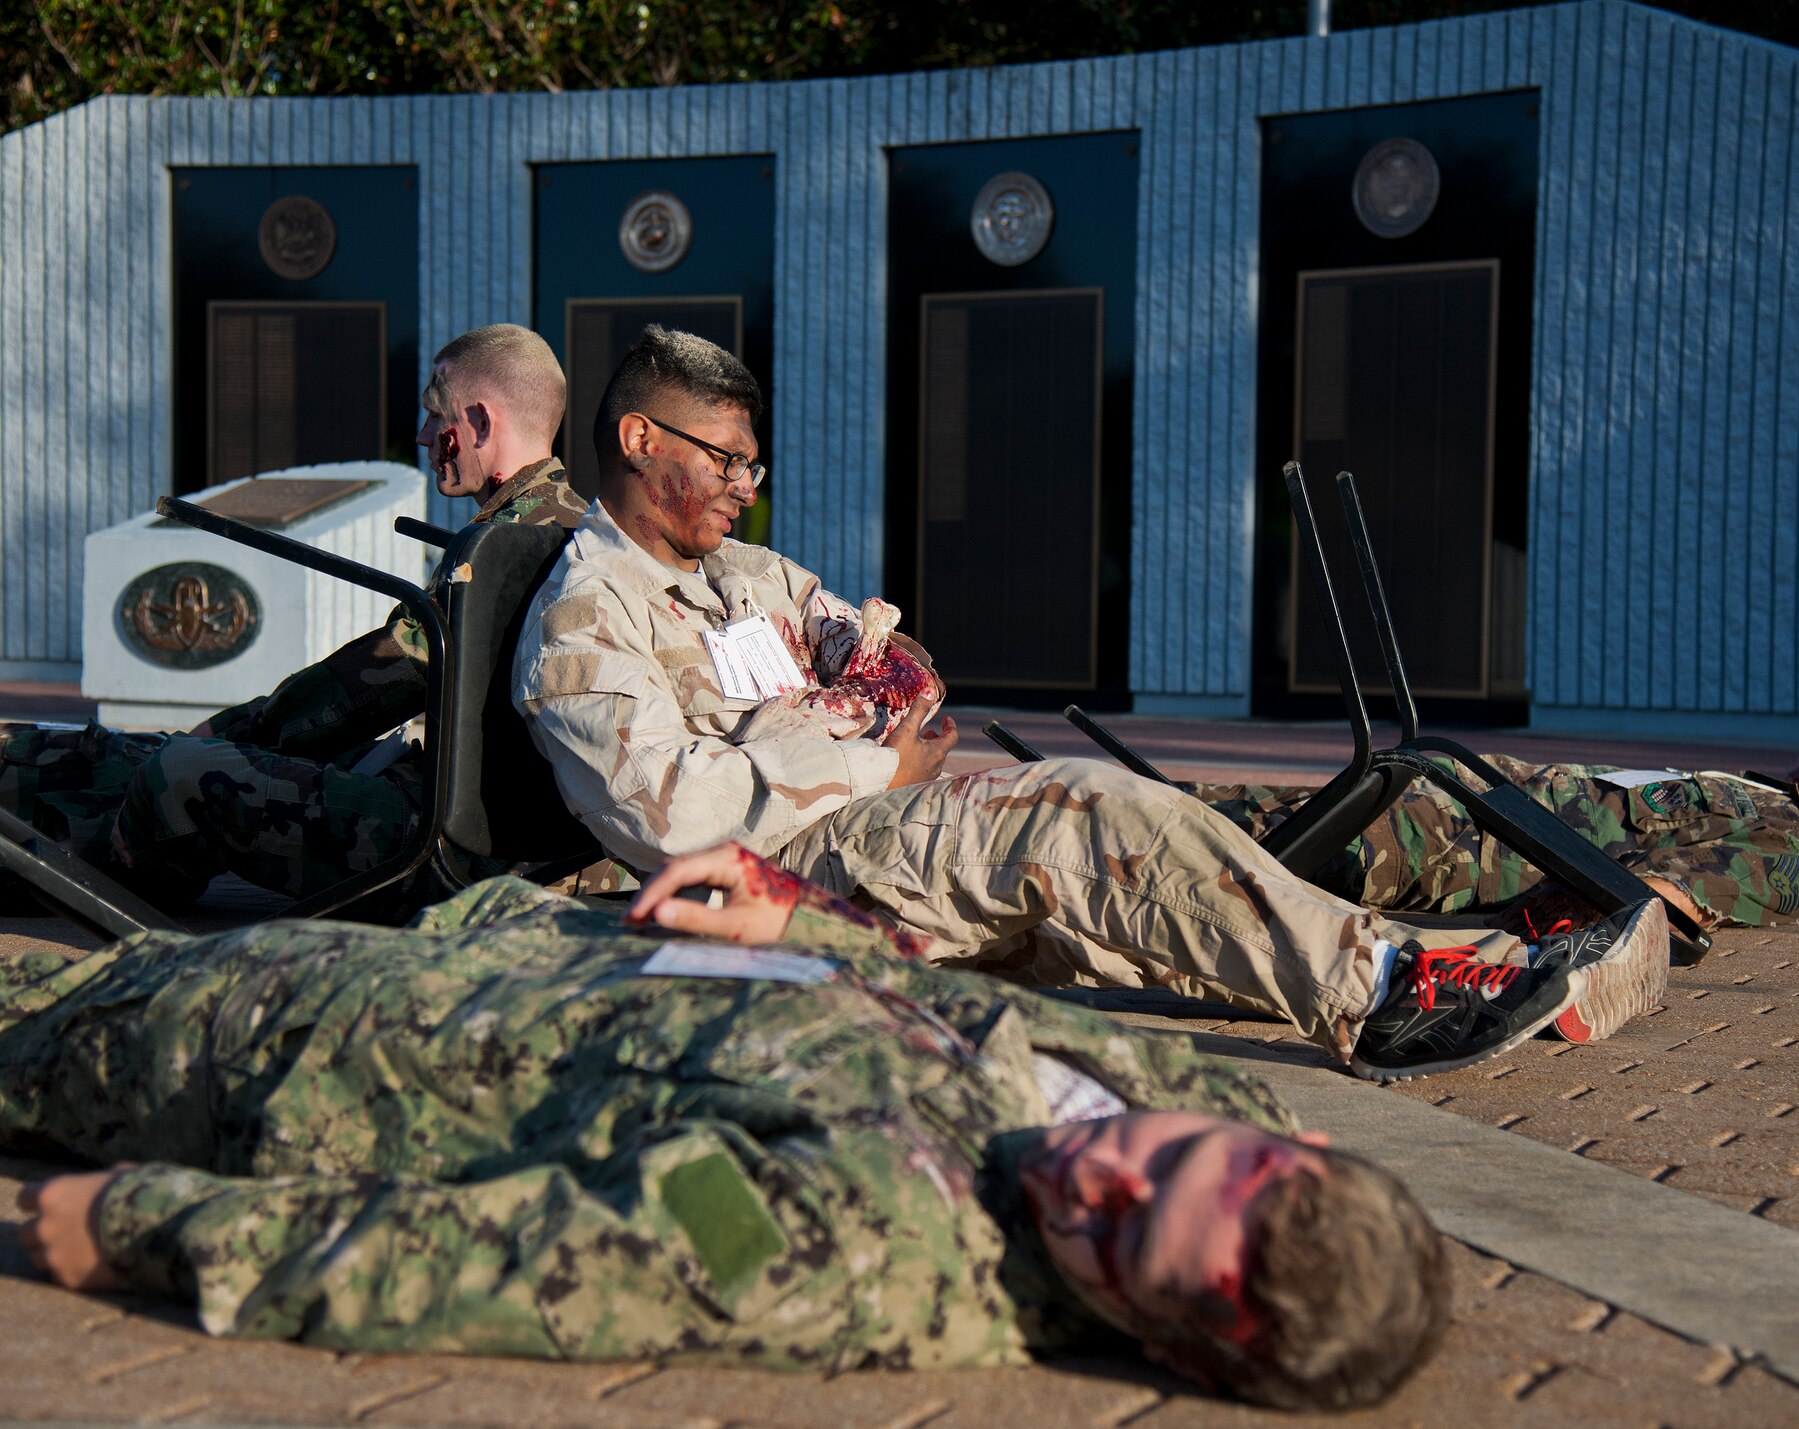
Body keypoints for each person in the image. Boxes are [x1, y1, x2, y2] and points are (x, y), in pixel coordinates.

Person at [511, 327, 1671, 1081]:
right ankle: (1389, 992)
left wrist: (847, 710)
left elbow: (896, 664)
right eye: (723, 461)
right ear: (633, 438)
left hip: (848, 844)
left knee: (1136, 875)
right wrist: (870, 754)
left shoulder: (739, 579)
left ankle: (1461, 971)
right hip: (776, 891)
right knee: (1079, 813)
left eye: (751, 467)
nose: (742, 488)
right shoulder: (586, 617)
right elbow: (682, 820)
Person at [7, 845, 1450, 1412]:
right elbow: (971, 1024)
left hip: (282, 1059)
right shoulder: (1228, 1112)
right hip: (476, 956)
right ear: (1286, 1152)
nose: (1109, 1165)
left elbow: (531, 1262)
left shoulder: (873, 1245)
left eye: (1127, 1235)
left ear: (1164, 1346)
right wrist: (798, 922)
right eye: (1173, 1158)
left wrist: (154, 1231)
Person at [0, 324, 588, 907]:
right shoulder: (574, 529)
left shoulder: (509, 546)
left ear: (481, 423)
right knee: (132, 756)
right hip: (488, 826)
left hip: (470, 857)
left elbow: (375, 683)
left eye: (439, 416)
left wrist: (231, 732)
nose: (423, 434)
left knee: (181, 771)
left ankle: (62, 877)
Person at [1193, 696, 1799, 953]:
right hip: (1440, 801)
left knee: (1189, 836)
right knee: (1199, 808)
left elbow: (1660, 900)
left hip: (1438, 842)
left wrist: (1500, 949)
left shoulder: (1798, 856)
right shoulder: (1779, 811)